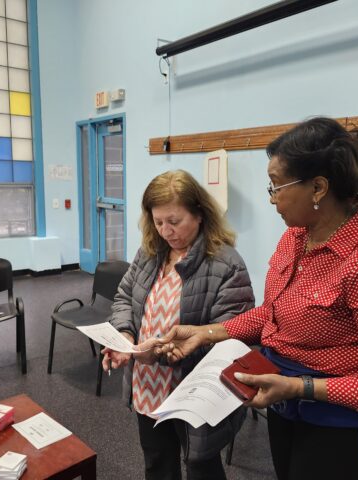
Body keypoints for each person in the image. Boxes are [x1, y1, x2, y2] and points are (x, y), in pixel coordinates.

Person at [151, 118, 358, 480]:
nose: (271, 198)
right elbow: (274, 315)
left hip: (344, 430)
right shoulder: (298, 237)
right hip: (288, 405)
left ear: (318, 188)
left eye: (276, 186)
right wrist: (205, 333)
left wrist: (302, 386)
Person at [104, 169, 255, 480]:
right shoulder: (150, 253)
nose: (166, 231)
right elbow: (124, 297)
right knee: (157, 463)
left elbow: (232, 336)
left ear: (199, 214)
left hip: (193, 388)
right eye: (158, 222)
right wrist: (125, 335)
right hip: (148, 383)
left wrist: (161, 353)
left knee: (201, 467)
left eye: (174, 221)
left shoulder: (226, 263)